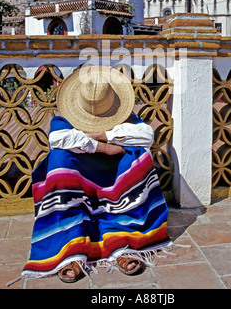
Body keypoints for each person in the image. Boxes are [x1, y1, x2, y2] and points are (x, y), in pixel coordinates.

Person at [17, 66, 172, 285]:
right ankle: (71, 245)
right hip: (82, 172)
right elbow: (58, 139)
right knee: (58, 159)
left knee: (140, 158)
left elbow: (146, 135)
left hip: (115, 171)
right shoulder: (65, 120)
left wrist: (104, 134)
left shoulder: (127, 117)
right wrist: (106, 148)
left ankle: (123, 239)